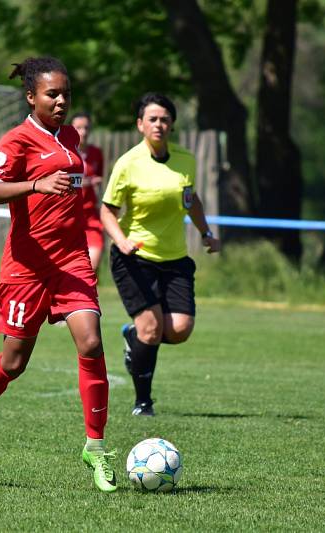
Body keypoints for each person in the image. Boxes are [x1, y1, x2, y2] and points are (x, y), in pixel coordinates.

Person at [0, 57, 117, 493]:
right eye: (52, 95)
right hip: (27, 267)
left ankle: (95, 448)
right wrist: (36, 186)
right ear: (31, 97)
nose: (61, 102)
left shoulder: (72, 136)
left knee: (92, 341)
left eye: (65, 94)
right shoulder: (17, 141)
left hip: (71, 261)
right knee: (13, 363)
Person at [100, 92, 221, 417]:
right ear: (140, 124)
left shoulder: (185, 160)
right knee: (152, 328)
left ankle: (133, 337)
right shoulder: (128, 163)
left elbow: (190, 200)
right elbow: (107, 212)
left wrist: (206, 233)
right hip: (134, 257)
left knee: (179, 330)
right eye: (152, 118)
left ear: (172, 125)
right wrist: (122, 241)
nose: (159, 124)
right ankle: (143, 403)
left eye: (165, 119)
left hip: (175, 258)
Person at [70, 112, 105, 271]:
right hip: (69, 217)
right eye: (78, 128)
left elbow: (99, 179)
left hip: (91, 216)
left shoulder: (96, 153)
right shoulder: (65, 153)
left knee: (91, 267)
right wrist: (87, 182)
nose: (83, 132)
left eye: (86, 128)